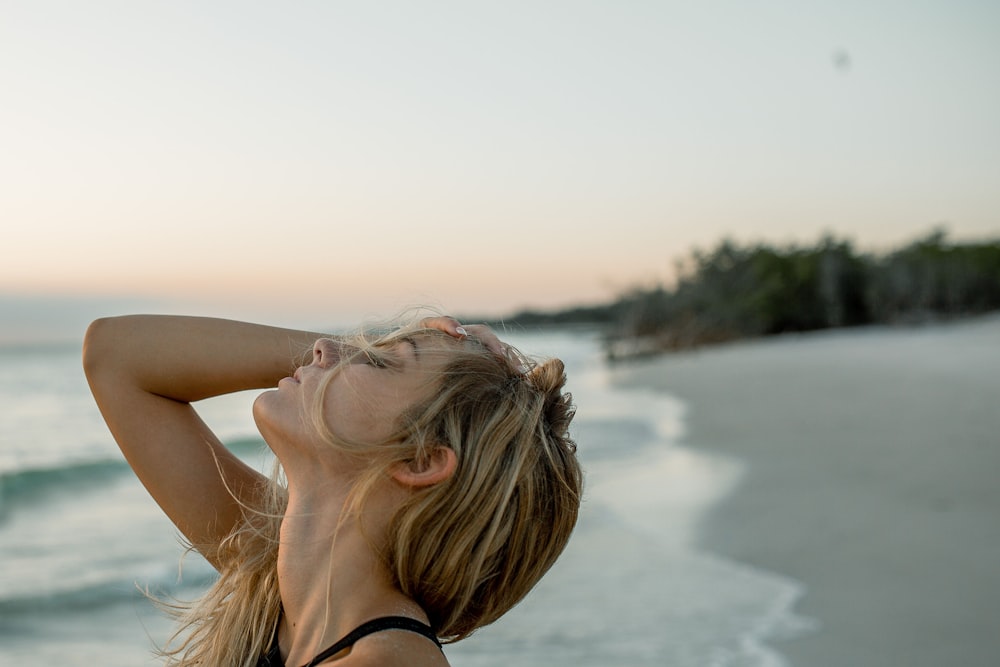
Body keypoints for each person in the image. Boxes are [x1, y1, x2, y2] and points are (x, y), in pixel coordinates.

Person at [82, 313, 582, 666]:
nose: (326, 352)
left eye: (381, 362)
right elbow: (114, 354)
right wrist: (352, 354)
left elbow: (116, 357)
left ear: (421, 459)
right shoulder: (275, 584)